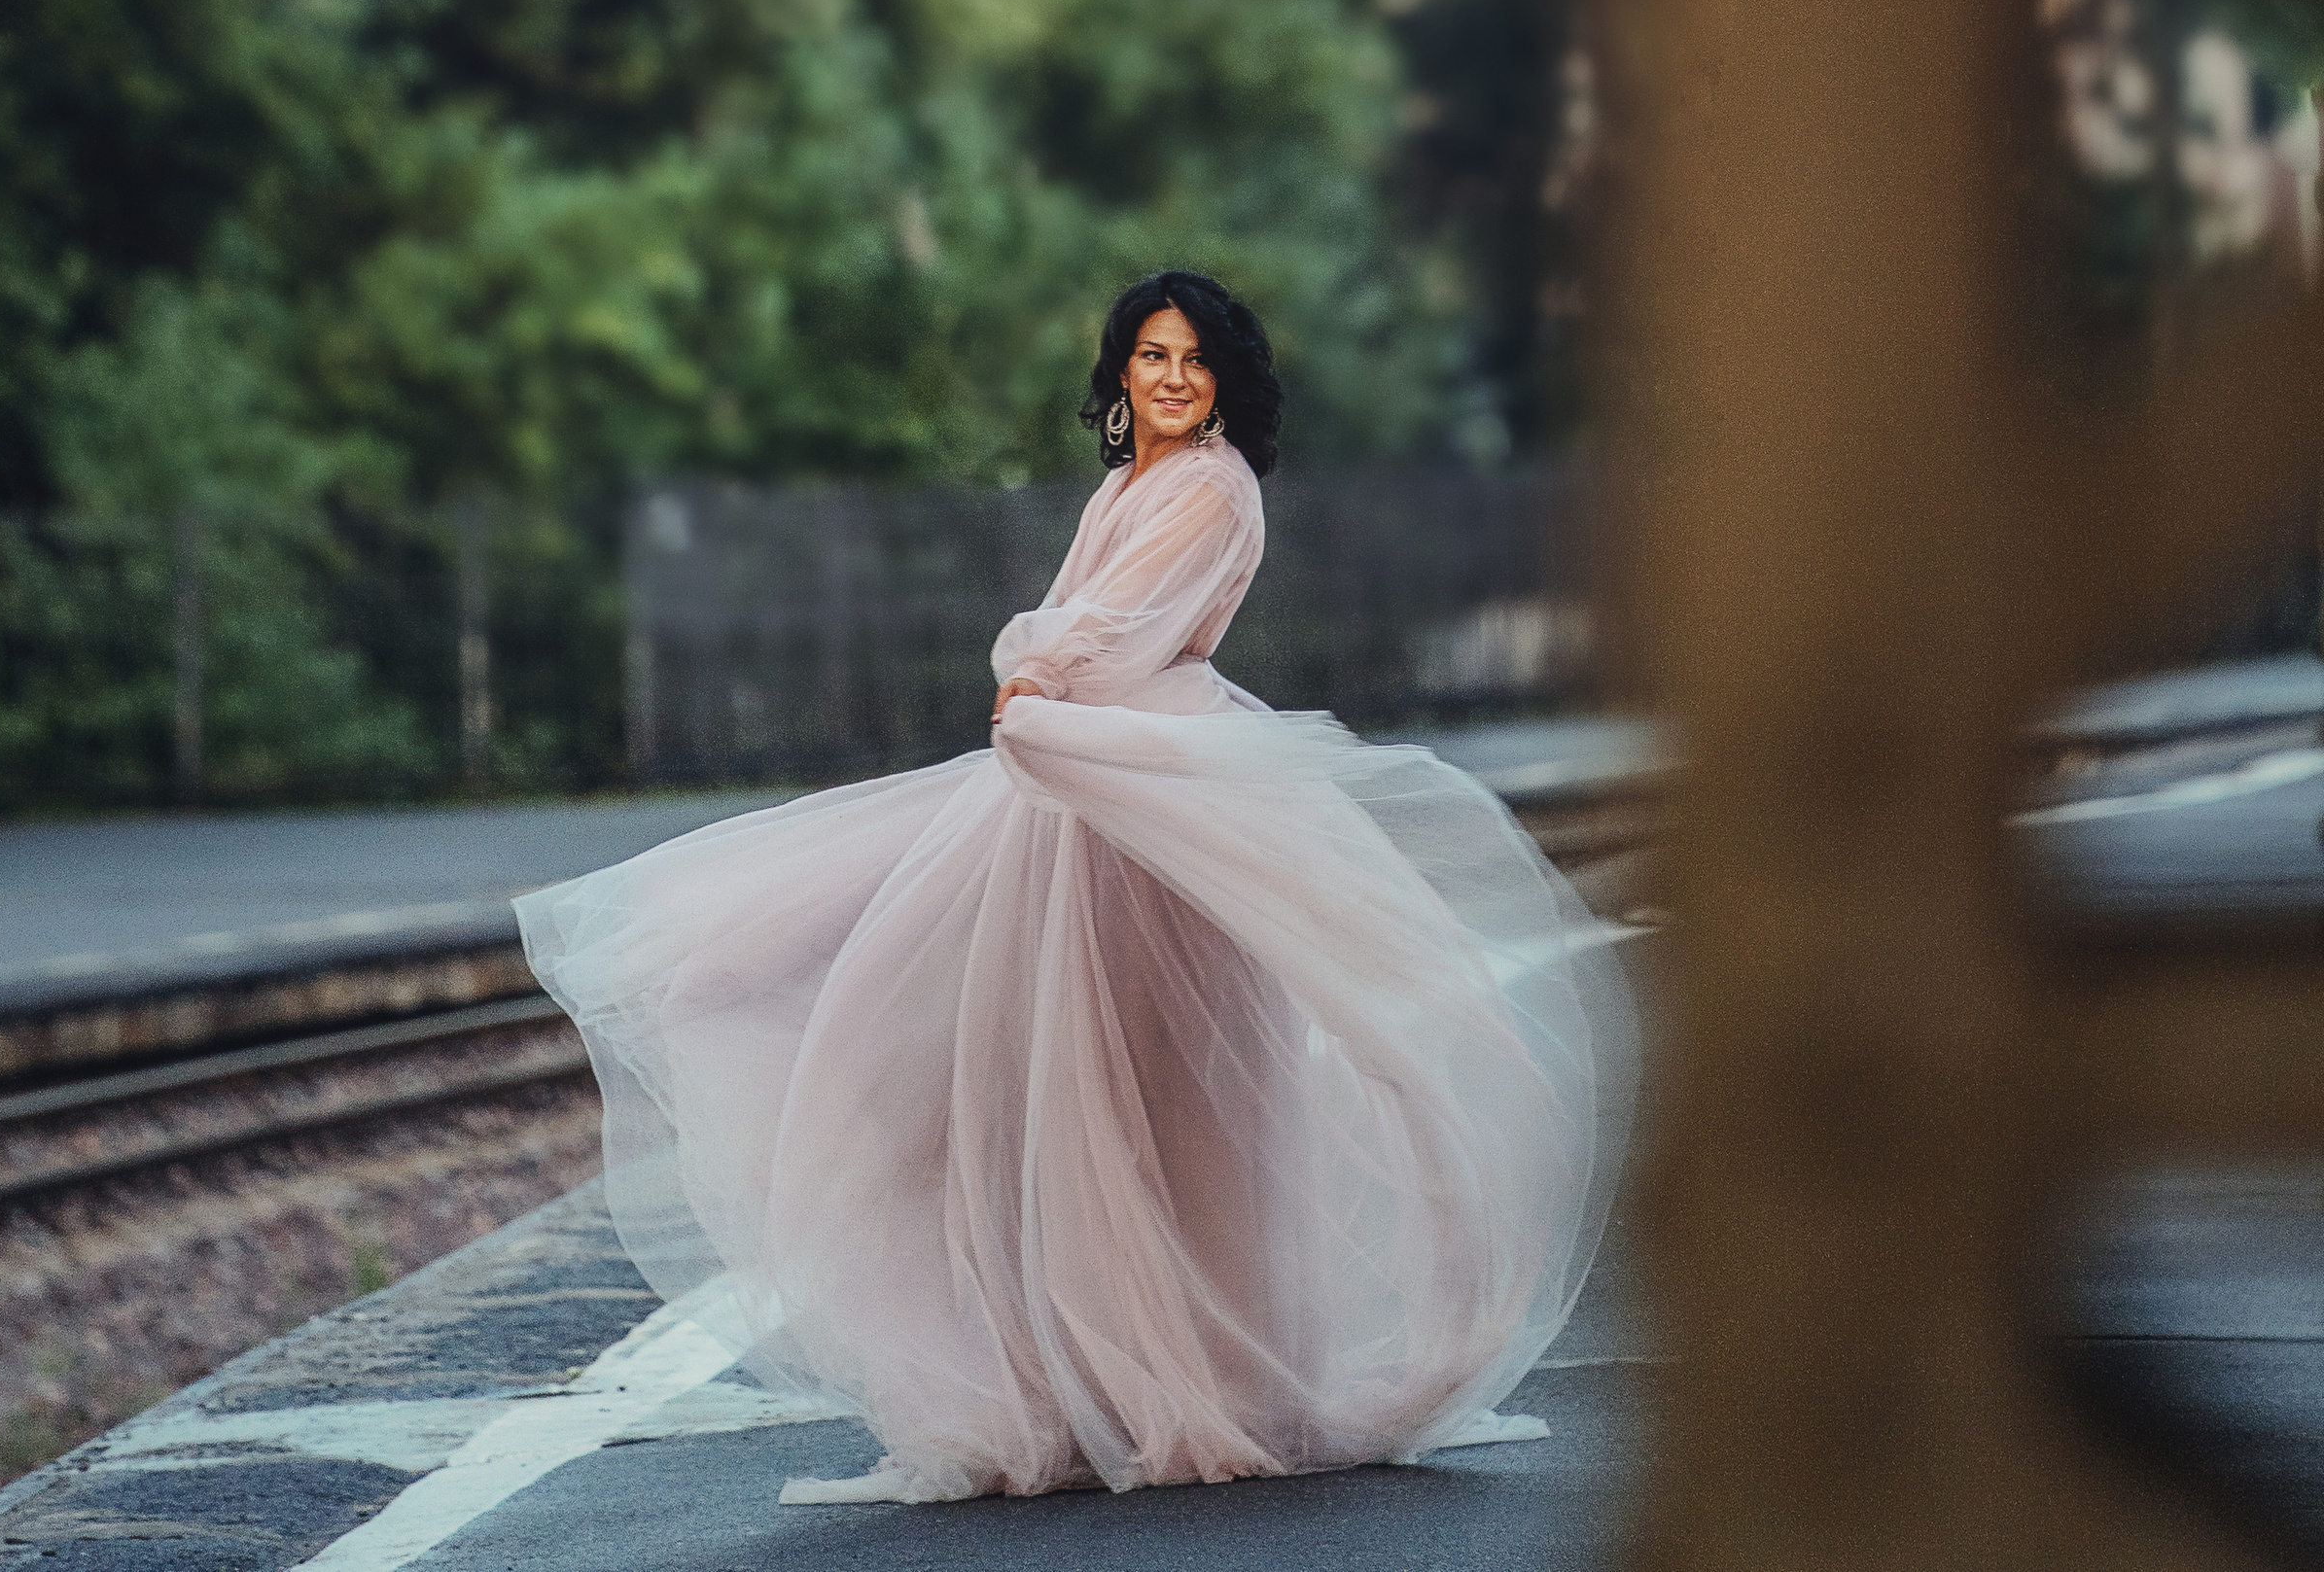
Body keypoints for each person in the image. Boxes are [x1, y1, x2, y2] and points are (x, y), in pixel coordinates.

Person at [515, 267, 1633, 1505]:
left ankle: (1208, 1379)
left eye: (1194, 359)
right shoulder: (1127, 484)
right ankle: (1091, 1379)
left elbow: (1111, 632)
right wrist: (1040, 684)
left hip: (1146, 789)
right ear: (1120, 374)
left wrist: (1036, 675)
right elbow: (1077, 630)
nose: (1172, 378)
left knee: (1172, 1091)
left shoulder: (1212, 485)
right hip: (1082, 785)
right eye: (1152, 356)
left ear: (1224, 382)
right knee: (1059, 1083)